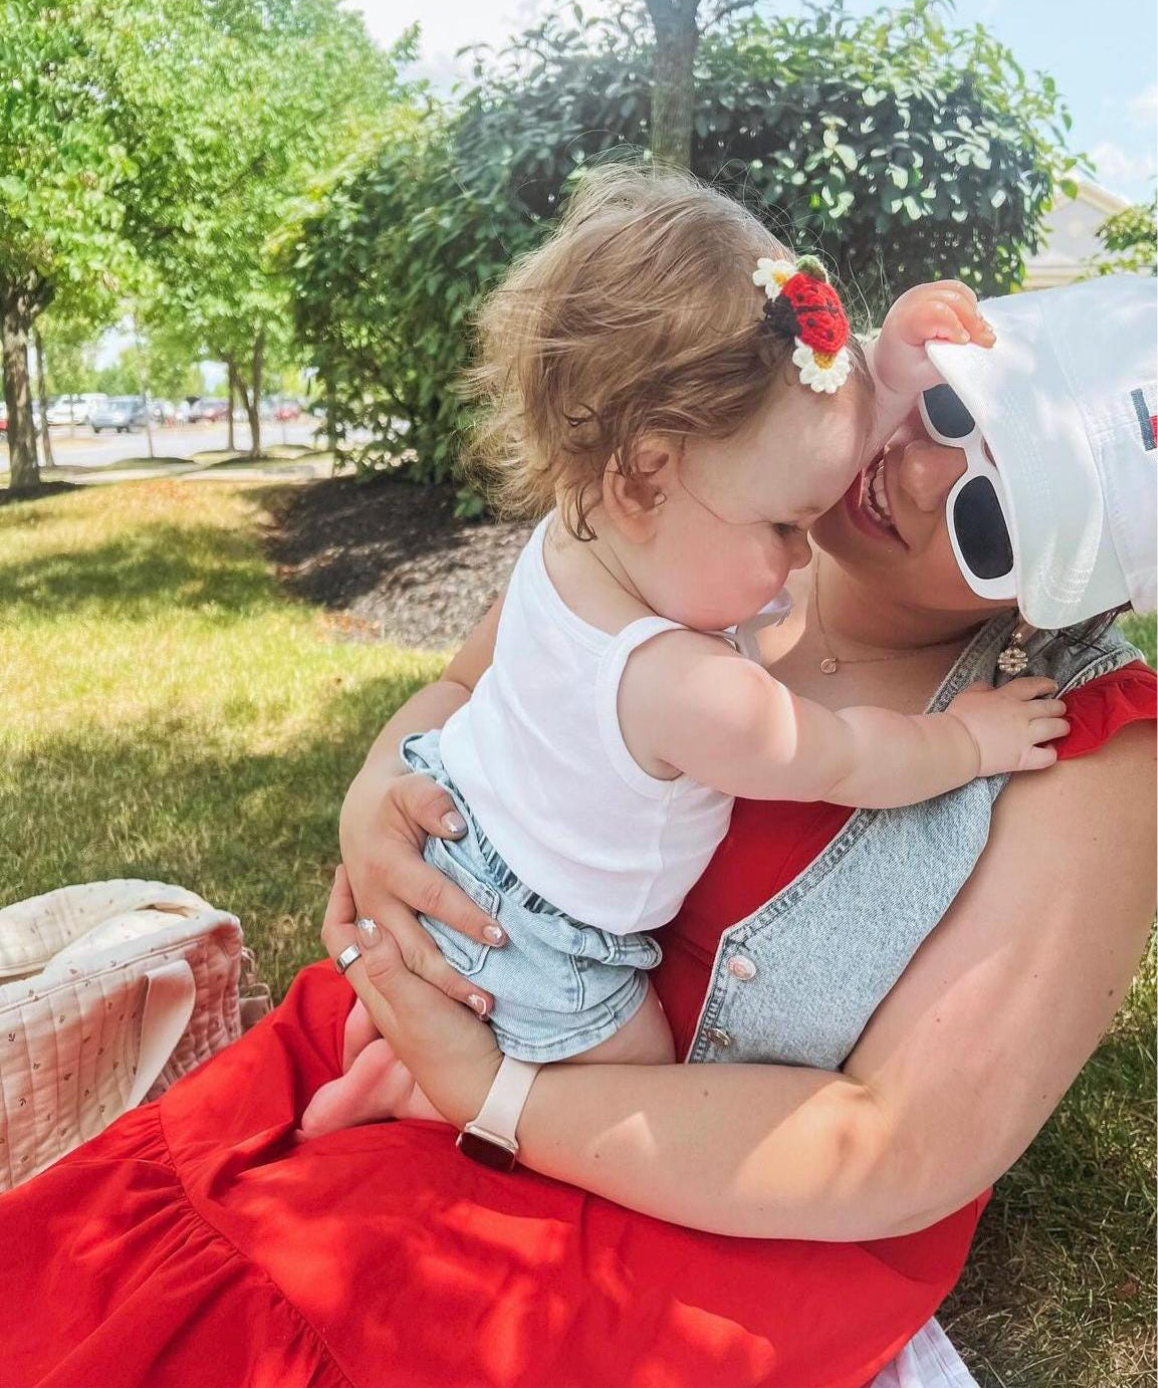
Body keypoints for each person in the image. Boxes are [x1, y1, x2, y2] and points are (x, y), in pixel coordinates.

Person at [2, 268, 1157, 1388]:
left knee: (313, 1293)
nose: (916, 474)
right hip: (442, 1021)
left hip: (699, 1201)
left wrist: (495, 1098)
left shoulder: (1085, 747)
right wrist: (378, 803)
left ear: (1062, 599)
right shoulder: (694, 505)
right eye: (956, 409)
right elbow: (467, 688)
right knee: (122, 1263)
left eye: (993, 517)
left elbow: (899, 1150)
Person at [302, 171, 1065, 1137]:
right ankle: (410, 1090)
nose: (800, 556)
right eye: (785, 526)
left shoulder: (575, 536)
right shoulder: (689, 688)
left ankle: (385, 1038)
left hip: (454, 813)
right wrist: (967, 741)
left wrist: (895, 378)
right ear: (645, 477)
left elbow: (789, 446)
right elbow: (850, 758)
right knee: (635, 1077)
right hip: (542, 937)